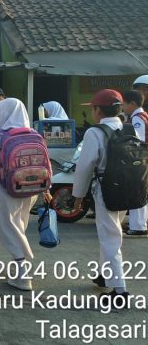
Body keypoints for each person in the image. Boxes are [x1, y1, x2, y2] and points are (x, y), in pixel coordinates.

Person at [73, 89, 130, 306]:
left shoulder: (94, 133)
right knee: (111, 231)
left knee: (110, 237)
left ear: (98, 110)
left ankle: (120, 290)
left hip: (105, 189)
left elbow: (85, 166)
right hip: (127, 188)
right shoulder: (127, 128)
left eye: (93, 108)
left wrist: (78, 196)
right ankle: (105, 274)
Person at [0, 98, 41, 291]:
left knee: (8, 225)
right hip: (33, 187)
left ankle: (23, 270)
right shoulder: (34, 133)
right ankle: (18, 265)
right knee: (19, 224)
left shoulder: (0, 136)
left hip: (8, 187)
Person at [121, 90, 148, 238]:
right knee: (141, 191)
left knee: (137, 192)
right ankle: (139, 223)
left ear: (132, 103)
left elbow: (138, 140)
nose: (123, 107)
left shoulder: (137, 118)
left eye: (124, 104)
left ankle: (138, 227)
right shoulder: (143, 115)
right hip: (144, 159)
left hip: (140, 159)